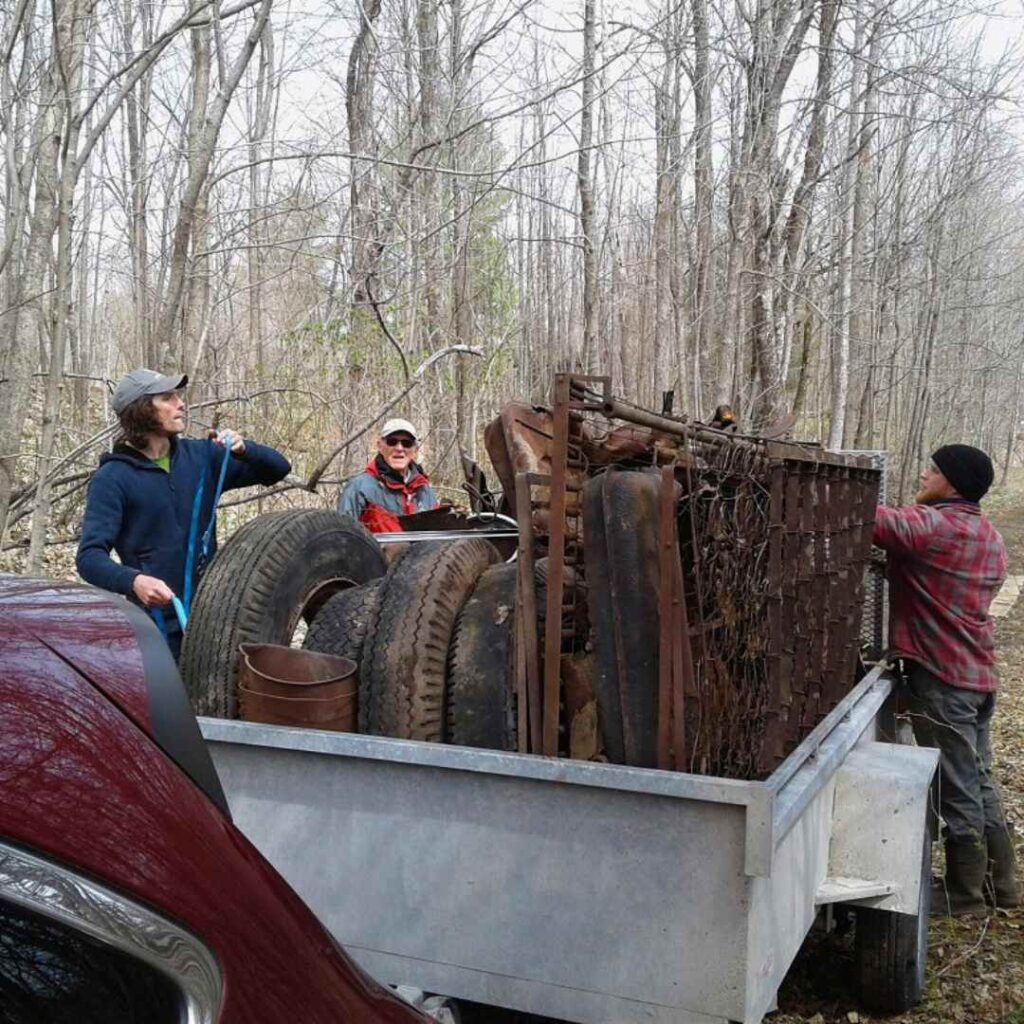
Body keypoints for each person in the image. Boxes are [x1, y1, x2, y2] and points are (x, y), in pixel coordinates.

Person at [873, 444, 1021, 916]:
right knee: (977, 780)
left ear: (952, 483)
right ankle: (1005, 886)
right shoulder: (989, 535)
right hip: (977, 676)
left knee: (956, 786)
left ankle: (964, 896)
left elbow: (870, 520)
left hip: (941, 677)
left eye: (931, 470)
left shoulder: (932, 526)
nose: (922, 474)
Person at [77, 369, 291, 659]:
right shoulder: (112, 478)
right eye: (168, 397)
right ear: (141, 411)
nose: (181, 403)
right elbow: (89, 558)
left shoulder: (202, 456)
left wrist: (244, 449)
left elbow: (278, 469)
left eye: (178, 396)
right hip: (155, 629)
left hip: (213, 621)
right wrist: (135, 581)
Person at [337, 418, 439, 532]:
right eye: (392, 441)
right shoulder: (359, 488)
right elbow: (343, 537)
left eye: (407, 443)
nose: (399, 448)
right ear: (380, 446)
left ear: (414, 450)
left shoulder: (424, 489)